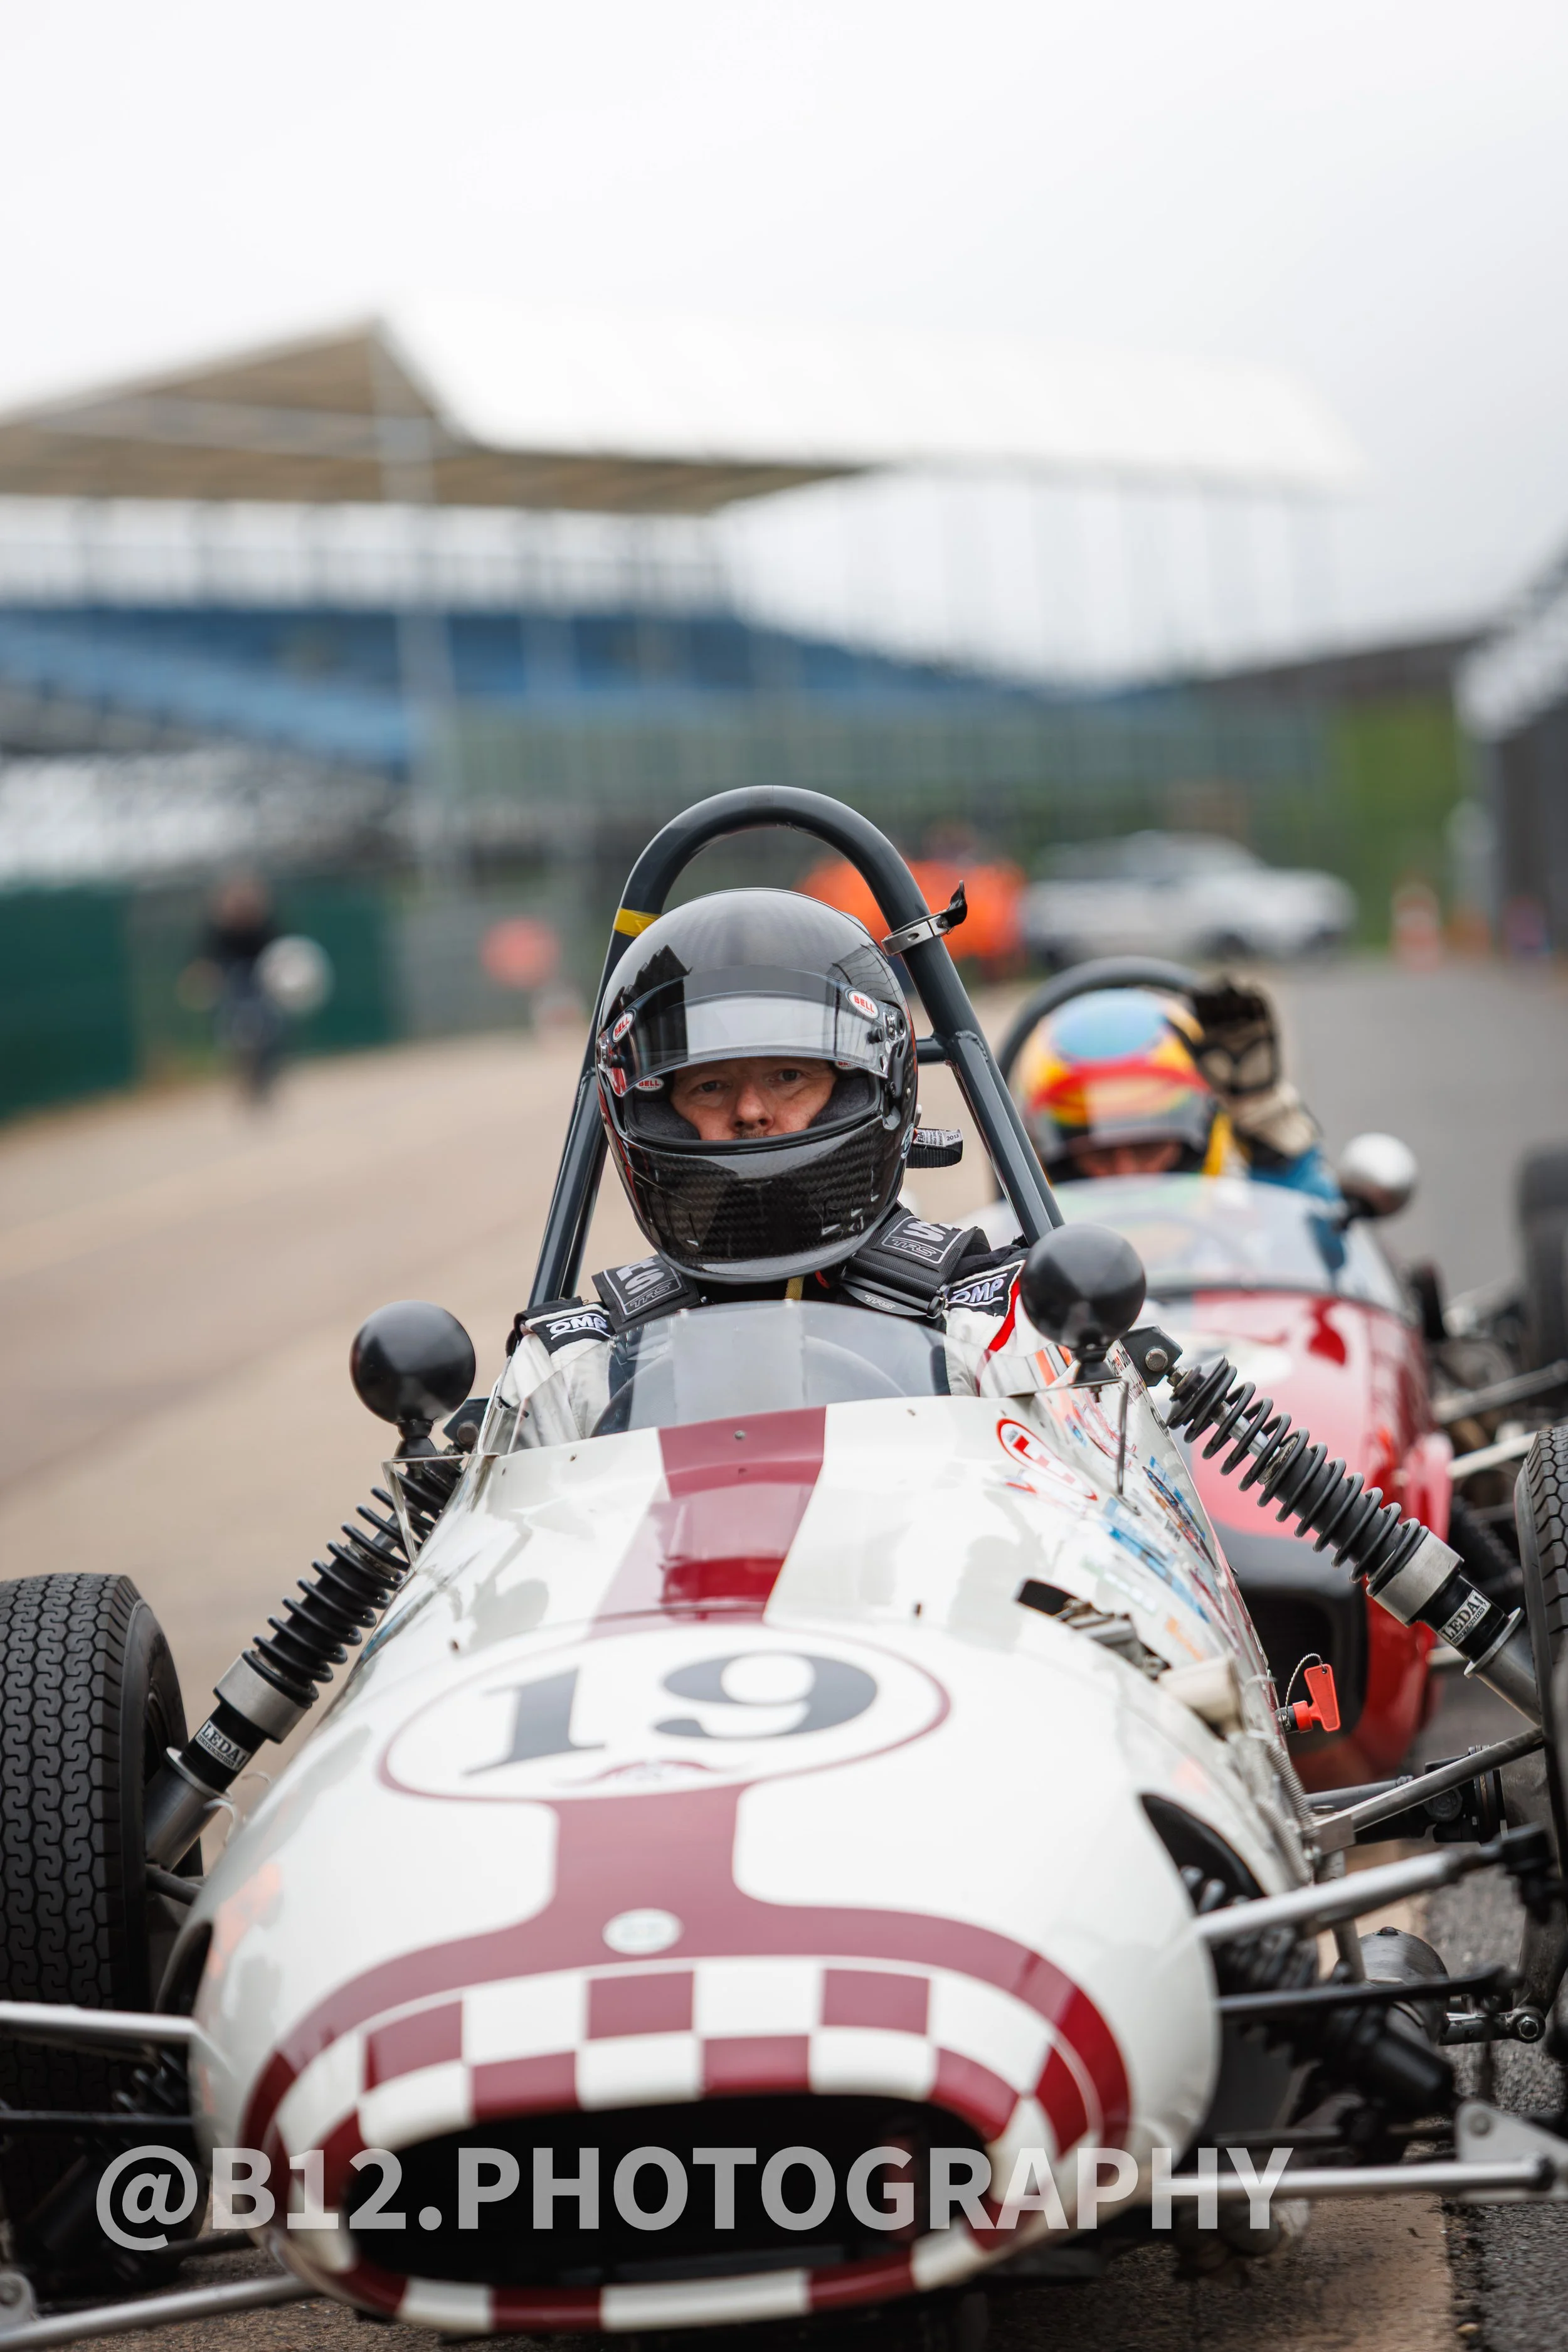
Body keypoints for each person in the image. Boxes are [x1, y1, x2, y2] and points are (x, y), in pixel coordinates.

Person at [497, 889, 1069, 1442]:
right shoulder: (572, 1368)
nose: (749, 1111)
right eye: (711, 1085)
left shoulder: (993, 1328)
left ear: (867, 1088)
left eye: (787, 1077)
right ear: (655, 1114)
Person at [1010, 981, 1339, 1200]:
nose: (1127, 1176)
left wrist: (1276, 1153)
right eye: (1098, 1152)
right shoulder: (1020, 1270)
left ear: (1200, 1135)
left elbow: (1327, 1249)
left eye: (1148, 1146)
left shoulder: (1249, 1227)